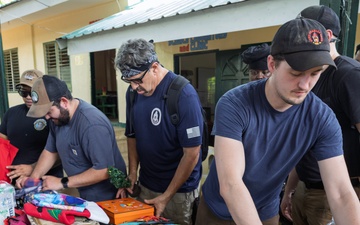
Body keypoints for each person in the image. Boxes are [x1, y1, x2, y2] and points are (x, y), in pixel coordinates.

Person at [195, 18, 360, 225]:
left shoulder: (321, 118)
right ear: (272, 64)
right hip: (217, 211)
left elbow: (341, 192)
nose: (305, 84)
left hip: (266, 211)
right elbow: (231, 184)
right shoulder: (234, 104)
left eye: (315, 73)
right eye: (296, 73)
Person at [280, 5, 360, 225]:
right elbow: (304, 139)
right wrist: (291, 187)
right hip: (305, 187)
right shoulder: (306, 79)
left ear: (326, 36)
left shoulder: (348, 74)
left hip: (334, 195)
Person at [114, 38, 203, 225]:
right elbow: (132, 135)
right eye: (128, 81)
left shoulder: (183, 94)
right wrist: (132, 173)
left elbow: (192, 153)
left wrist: (167, 196)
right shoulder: (133, 94)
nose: (134, 87)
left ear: (154, 67)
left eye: (137, 80)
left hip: (178, 192)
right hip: (147, 184)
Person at [16, 75, 127, 202]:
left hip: (105, 197)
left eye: (48, 112)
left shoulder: (92, 124)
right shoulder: (58, 118)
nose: (46, 117)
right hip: (80, 190)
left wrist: (61, 182)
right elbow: (50, 151)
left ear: (64, 102)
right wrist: (33, 179)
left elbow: (103, 170)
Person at [0, 70, 63, 185]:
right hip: (13, 182)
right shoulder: (11, 113)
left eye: (33, 92)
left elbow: (62, 152)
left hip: (46, 181)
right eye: (24, 92)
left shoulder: (53, 113)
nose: (28, 97)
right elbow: (2, 144)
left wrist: (32, 168)